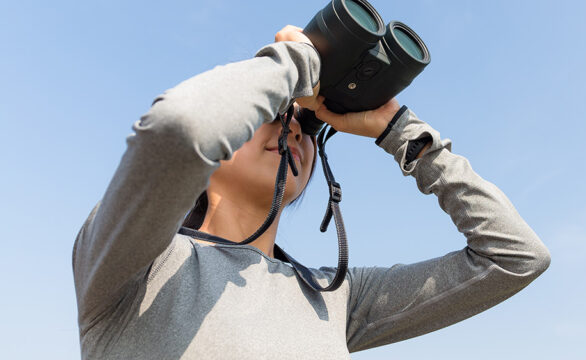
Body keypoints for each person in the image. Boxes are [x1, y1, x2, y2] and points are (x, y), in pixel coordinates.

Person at [72, 25, 551, 359]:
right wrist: (296, 64)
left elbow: (515, 257)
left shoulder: (333, 296)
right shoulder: (139, 262)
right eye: (270, 116)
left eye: (301, 126)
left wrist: (400, 131)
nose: (293, 130)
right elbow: (181, 129)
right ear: (218, 151)